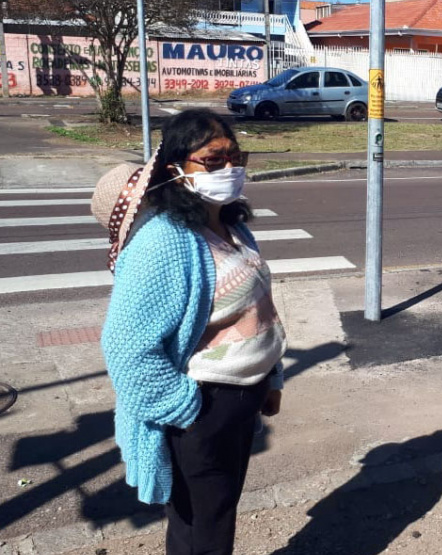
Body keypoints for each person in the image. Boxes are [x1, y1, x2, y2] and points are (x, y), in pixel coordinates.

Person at [92, 109, 286, 554]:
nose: (231, 169)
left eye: (237, 157)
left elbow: (260, 311)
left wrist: (271, 379)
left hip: (242, 398)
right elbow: (126, 347)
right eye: (213, 160)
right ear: (176, 170)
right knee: (205, 528)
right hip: (205, 406)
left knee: (214, 515)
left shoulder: (230, 226)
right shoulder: (164, 241)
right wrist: (187, 409)